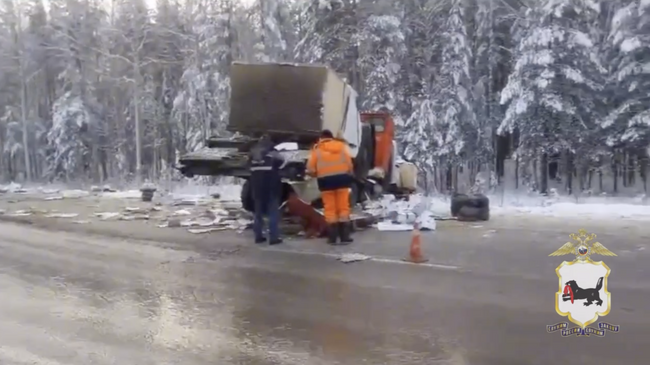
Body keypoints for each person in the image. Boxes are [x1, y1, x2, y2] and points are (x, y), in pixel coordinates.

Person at [306, 130, 354, 245]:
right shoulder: (341, 146)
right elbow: (349, 163)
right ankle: (345, 236)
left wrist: (315, 174)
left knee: (330, 208)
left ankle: (332, 237)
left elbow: (311, 169)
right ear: (332, 137)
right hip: (342, 179)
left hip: (326, 182)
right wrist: (349, 173)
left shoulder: (317, 150)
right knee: (343, 206)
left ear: (321, 138)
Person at [249, 135, 284, 245]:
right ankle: (273, 238)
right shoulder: (273, 155)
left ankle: (258, 236)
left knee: (258, 213)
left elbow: (246, 167)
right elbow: (283, 163)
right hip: (271, 187)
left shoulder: (252, 155)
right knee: (273, 212)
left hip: (257, 188)